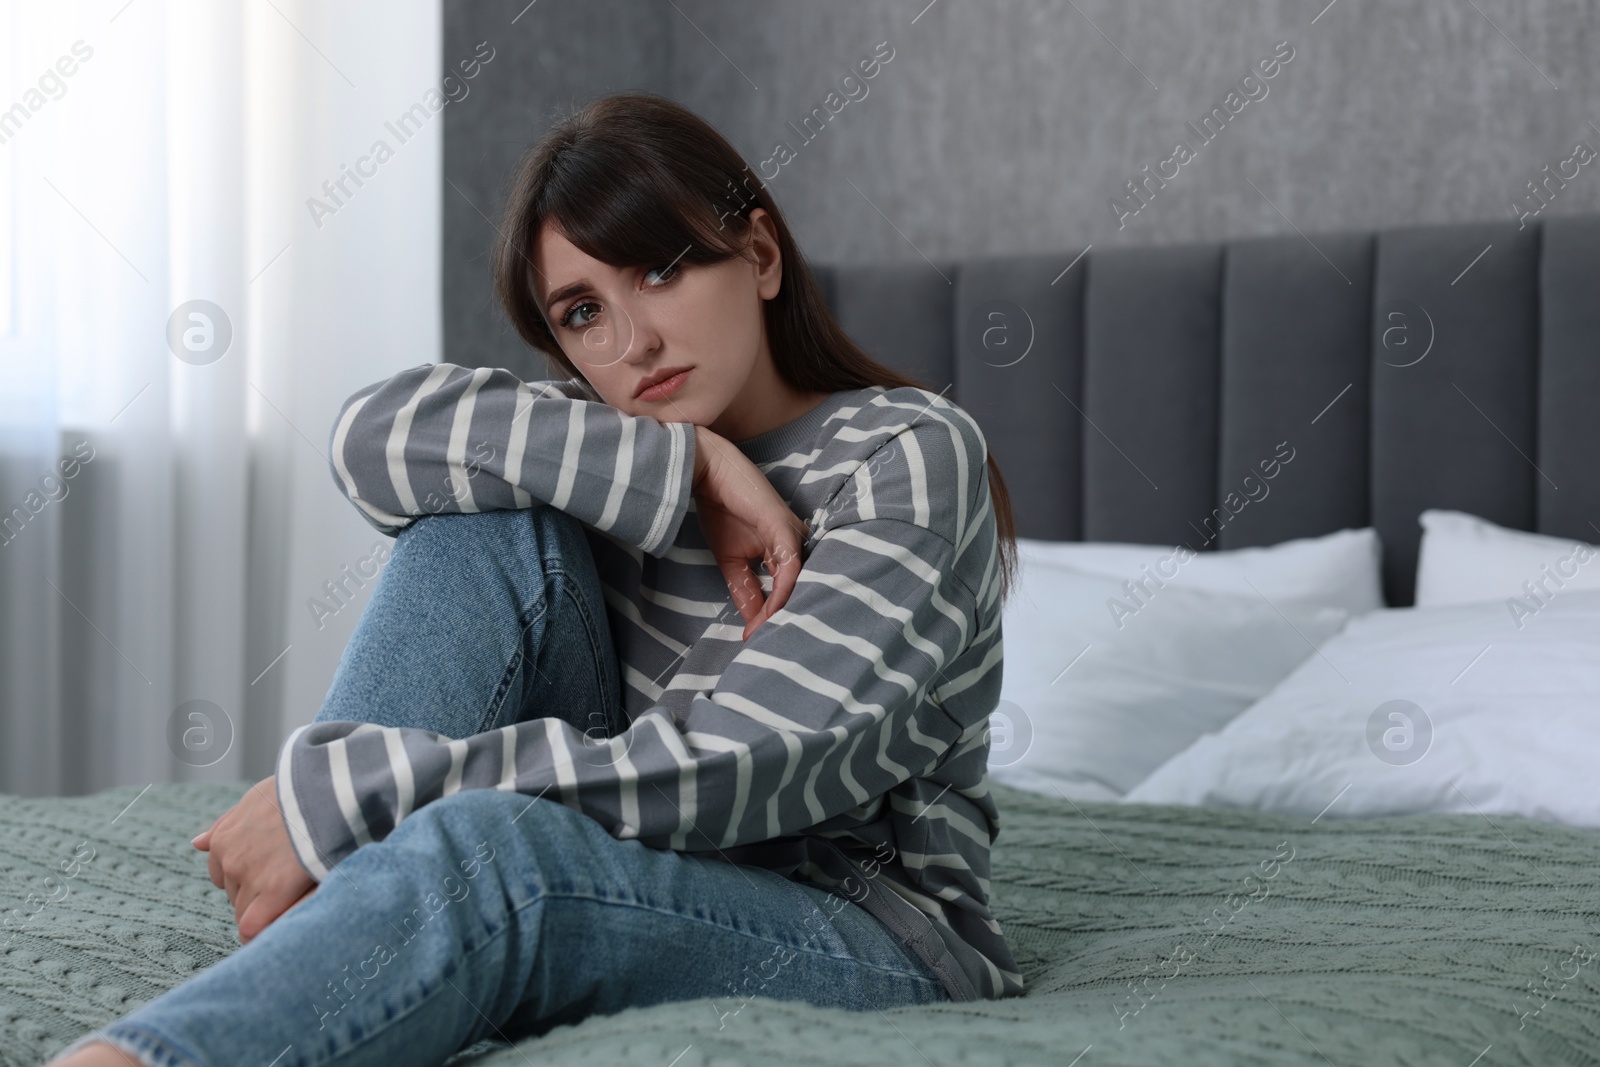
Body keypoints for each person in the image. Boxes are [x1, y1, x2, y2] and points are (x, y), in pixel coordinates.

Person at [47, 89, 1023, 1067]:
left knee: (495, 851)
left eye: (663, 267)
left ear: (760, 256)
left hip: (858, 927)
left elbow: (755, 769)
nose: (631, 340)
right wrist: (682, 464)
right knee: (480, 510)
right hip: (624, 854)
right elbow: (365, 437)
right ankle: (340, 930)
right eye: (582, 311)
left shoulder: (903, 452)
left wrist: (369, 787)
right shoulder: (604, 441)